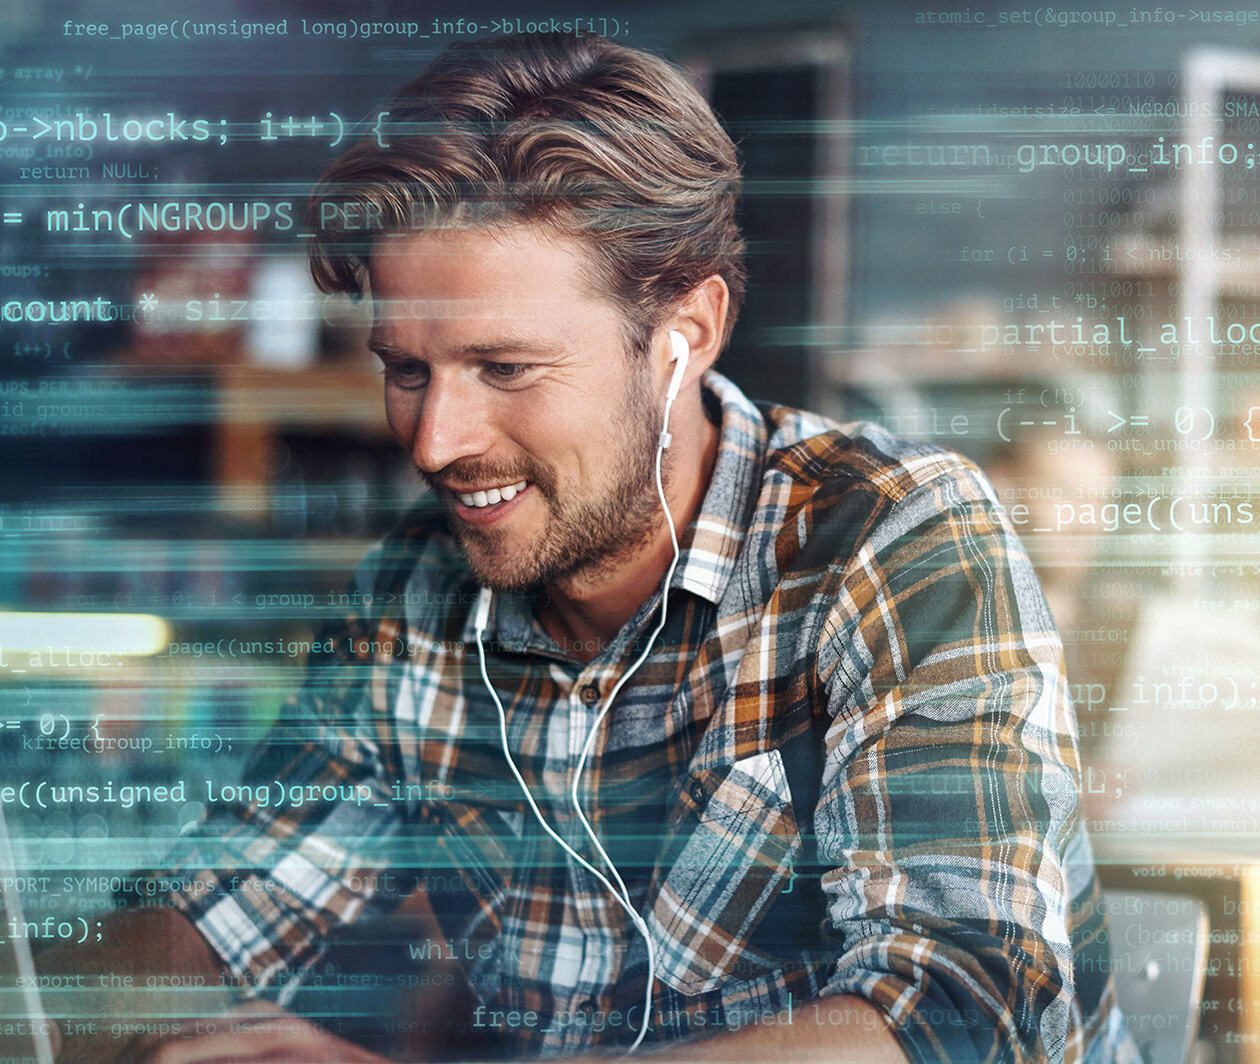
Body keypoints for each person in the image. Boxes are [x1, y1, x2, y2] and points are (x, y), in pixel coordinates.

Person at [48, 32, 1136, 1064]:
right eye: (408, 369)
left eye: (507, 368)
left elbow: (968, 1007)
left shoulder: (891, 536)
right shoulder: (416, 597)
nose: (436, 441)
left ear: (684, 333)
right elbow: (215, 906)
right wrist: (110, 1020)